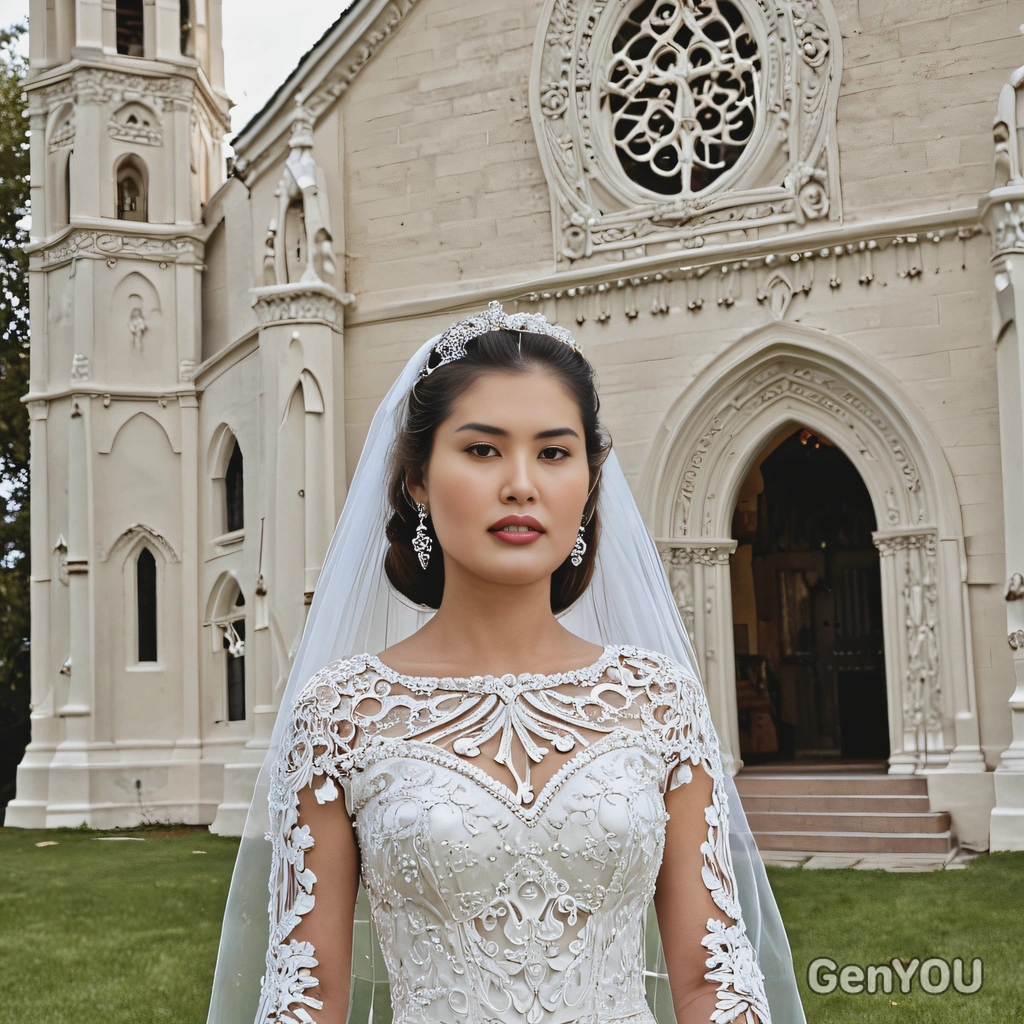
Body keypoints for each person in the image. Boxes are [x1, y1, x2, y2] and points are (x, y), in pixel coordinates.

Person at [205, 302, 806, 1024]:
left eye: (553, 452)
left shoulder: (658, 700)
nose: (521, 483)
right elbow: (306, 996)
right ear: (418, 479)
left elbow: (715, 983)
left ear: (587, 482)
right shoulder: (341, 714)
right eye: (483, 450)